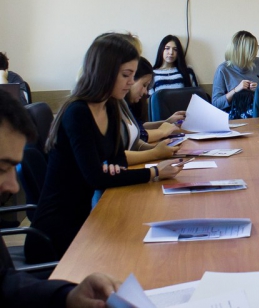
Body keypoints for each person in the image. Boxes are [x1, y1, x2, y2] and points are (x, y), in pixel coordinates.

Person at [25, 34, 184, 263]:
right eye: (126, 75)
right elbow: (95, 178)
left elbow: (118, 161)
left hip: (85, 220)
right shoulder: (77, 112)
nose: (131, 82)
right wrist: (155, 172)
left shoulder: (110, 107)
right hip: (56, 234)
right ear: (105, 72)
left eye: (132, 75)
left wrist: (111, 170)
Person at [0, 89, 121, 307]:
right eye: (1, 168)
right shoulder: (78, 112)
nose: (13, 186)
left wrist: (67, 296)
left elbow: (5, 283)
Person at [122, 57, 182, 165]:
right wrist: (156, 150)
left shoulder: (123, 104)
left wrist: (156, 149)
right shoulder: (112, 105)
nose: (146, 91)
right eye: (144, 85)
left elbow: (136, 133)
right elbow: (141, 135)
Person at [212, 31, 259, 116]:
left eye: (256, 47)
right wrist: (236, 90)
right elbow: (216, 104)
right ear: (245, 51)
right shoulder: (223, 70)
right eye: (254, 48)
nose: (256, 51)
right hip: (235, 116)